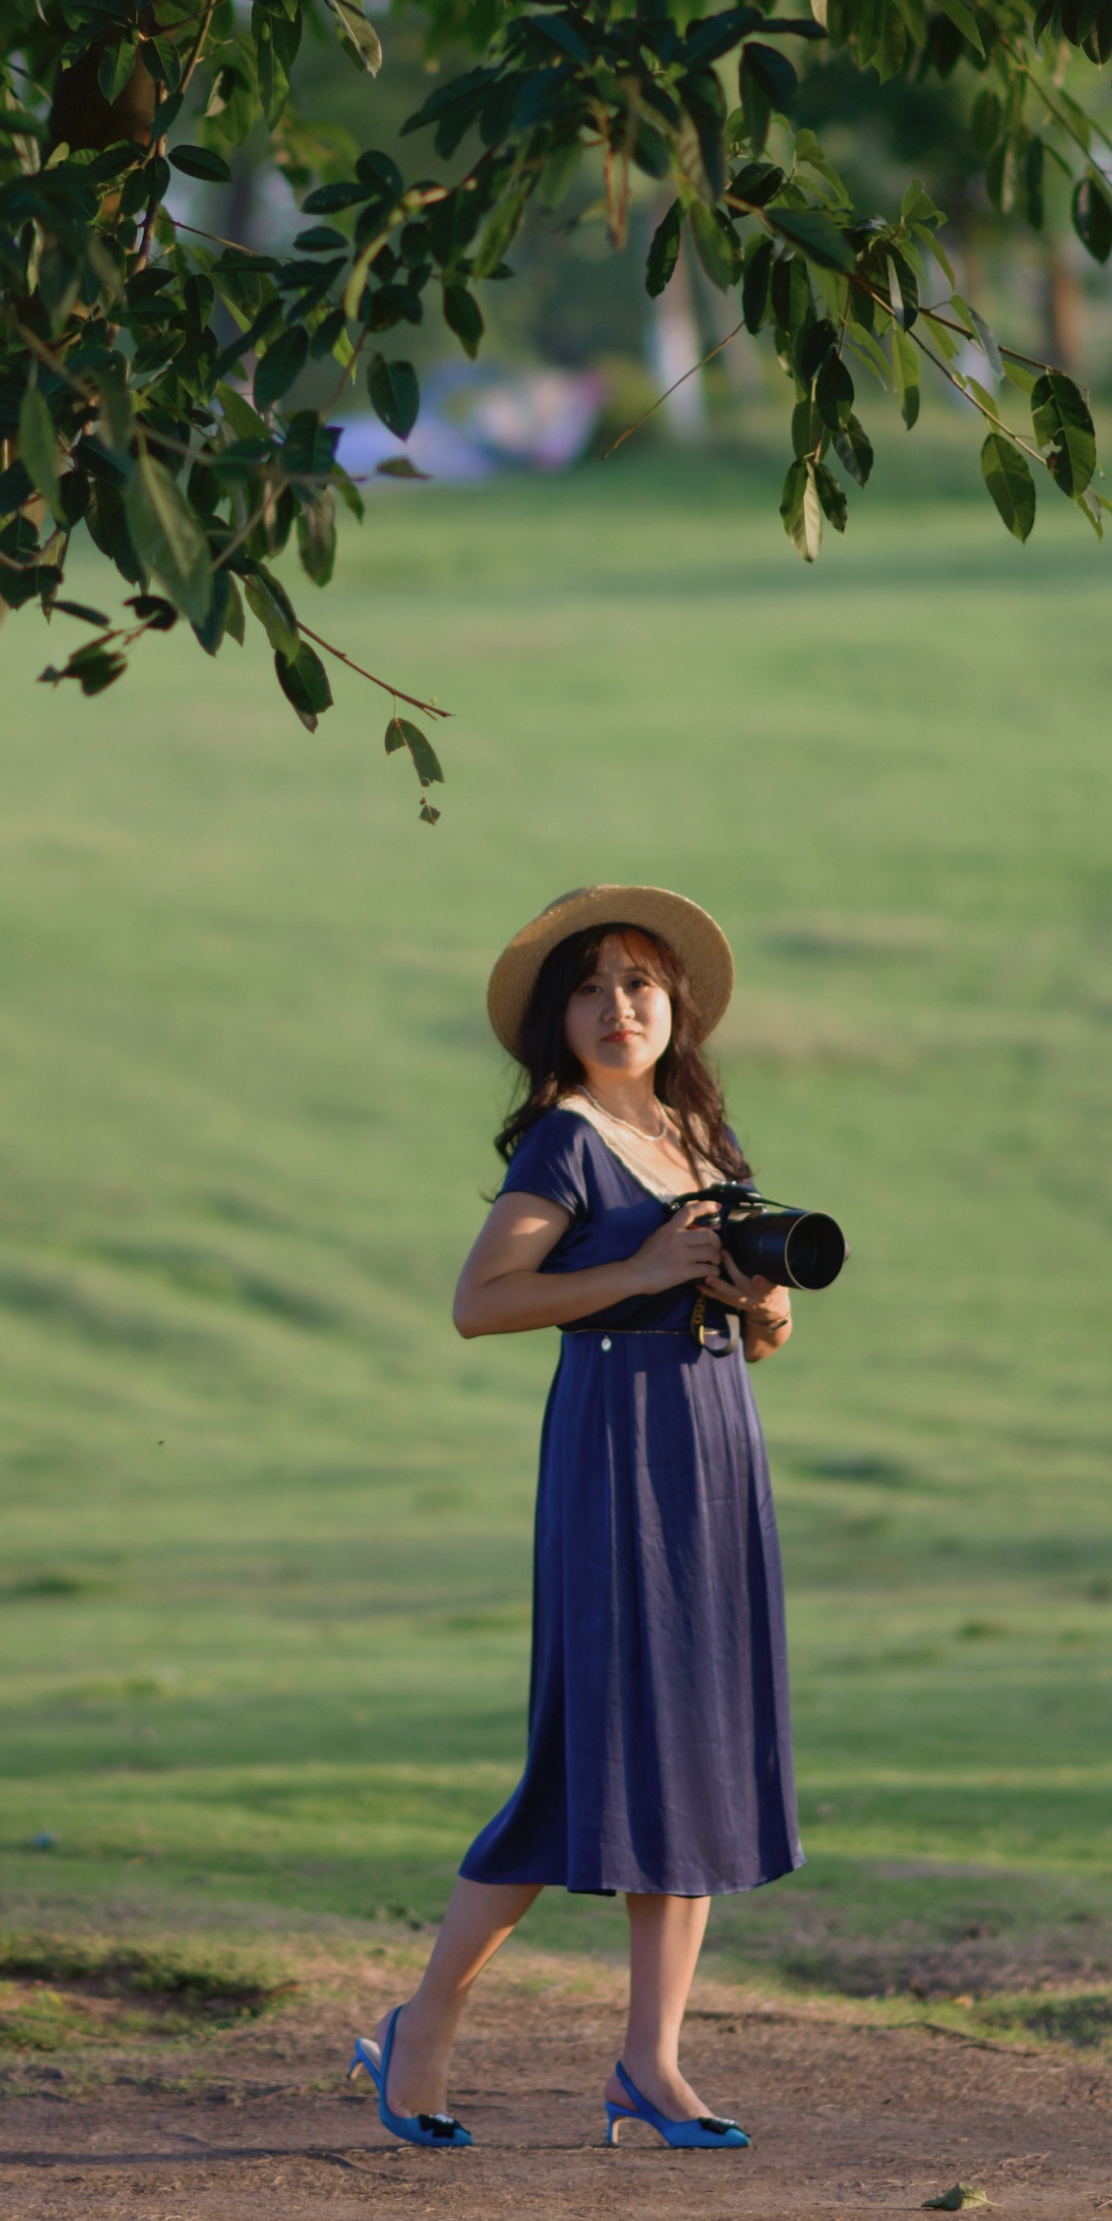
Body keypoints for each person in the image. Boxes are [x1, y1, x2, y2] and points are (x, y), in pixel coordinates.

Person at [350, 883, 800, 2156]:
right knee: (581, 1760)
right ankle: (425, 2021)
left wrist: (754, 1303)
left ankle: (651, 2065)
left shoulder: (704, 1141)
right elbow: (480, 1302)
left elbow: (768, 1337)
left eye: (642, 984)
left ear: (678, 1008)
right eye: (594, 987)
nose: (620, 1007)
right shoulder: (562, 1140)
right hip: (615, 1455)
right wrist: (644, 1271)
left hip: (716, 1451)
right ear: (561, 1018)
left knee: (695, 1754)